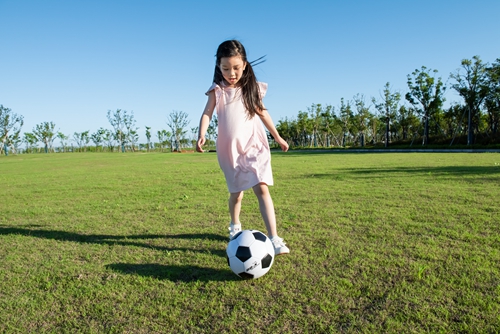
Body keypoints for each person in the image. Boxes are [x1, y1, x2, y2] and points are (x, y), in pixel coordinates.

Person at [196, 40, 290, 255]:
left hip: (254, 144)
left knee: (262, 187)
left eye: (236, 68)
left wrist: (278, 137)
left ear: (245, 65)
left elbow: (263, 113)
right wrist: (202, 134)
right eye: (226, 68)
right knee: (237, 194)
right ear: (218, 66)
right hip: (230, 150)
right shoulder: (217, 90)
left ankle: (274, 238)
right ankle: (234, 224)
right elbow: (207, 113)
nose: (231, 73)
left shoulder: (251, 88)